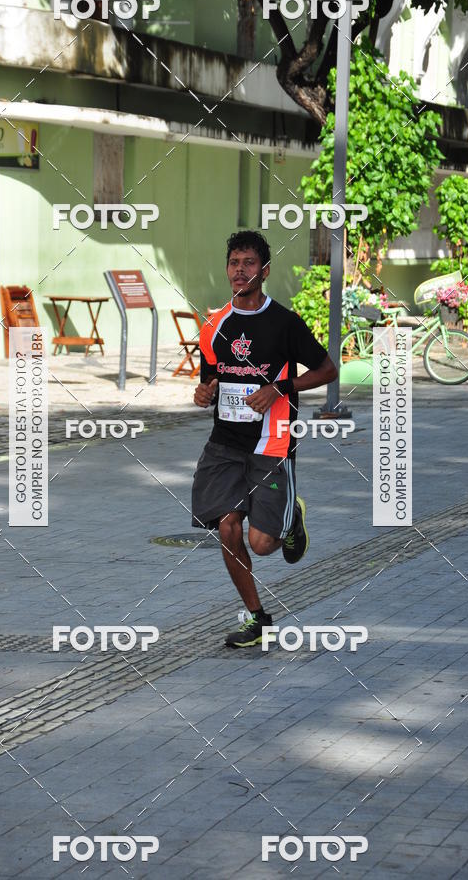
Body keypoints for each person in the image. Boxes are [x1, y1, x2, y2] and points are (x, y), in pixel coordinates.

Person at [191, 230, 338, 648]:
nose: (241, 270)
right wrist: (203, 393)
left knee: (263, 542)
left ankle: (291, 520)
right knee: (228, 528)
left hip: (272, 441)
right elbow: (211, 380)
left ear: (265, 271)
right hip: (225, 443)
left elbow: (327, 371)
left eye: (249, 263)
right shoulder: (215, 324)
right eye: (234, 262)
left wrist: (280, 387)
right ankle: (257, 618)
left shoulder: (284, 322)